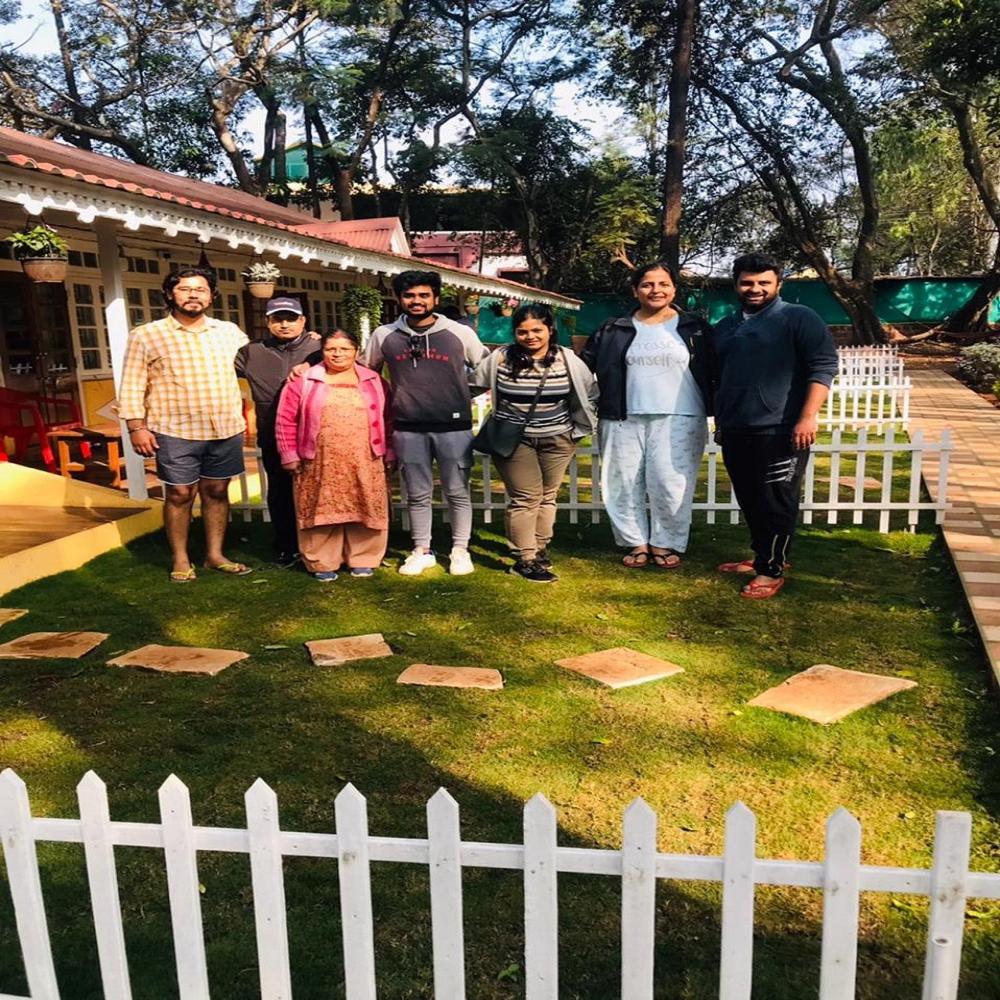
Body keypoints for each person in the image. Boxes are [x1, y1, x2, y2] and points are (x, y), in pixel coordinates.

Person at [712, 251, 838, 599]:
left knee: (776, 500)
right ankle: (762, 556)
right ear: (736, 285)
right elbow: (721, 378)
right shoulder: (726, 326)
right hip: (737, 429)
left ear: (778, 284)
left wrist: (807, 417)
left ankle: (771, 569)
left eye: (763, 282)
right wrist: (722, 420)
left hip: (782, 429)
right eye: (747, 282)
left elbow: (823, 366)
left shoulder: (798, 318)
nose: (755, 288)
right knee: (750, 499)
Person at [120, 267, 251, 582]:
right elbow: (132, 384)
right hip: (175, 429)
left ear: (211, 296)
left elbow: (257, 360)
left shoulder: (229, 332)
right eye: (185, 289)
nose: (193, 295)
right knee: (179, 493)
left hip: (224, 427)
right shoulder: (146, 335)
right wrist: (136, 426)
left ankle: (215, 555)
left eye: (201, 289)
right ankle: (180, 558)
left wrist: (309, 348)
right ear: (170, 294)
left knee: (217, 490)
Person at [581, 261, 713, 569]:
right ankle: (635, 542)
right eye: (647, 284)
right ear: (635, 291)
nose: (656, 290)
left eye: (663, 284)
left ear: (674, 289)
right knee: (622, 483)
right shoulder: (613, 328)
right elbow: (583, 367)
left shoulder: (695, 328)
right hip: (621, 416)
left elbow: (718, 369)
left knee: (671, 484)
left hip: (682, 416)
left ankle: (665, 542)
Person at [361, 270, 489, 576]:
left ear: (435, 297)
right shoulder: (384, 335)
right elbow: (366, 373)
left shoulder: (459, 332)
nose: (416, 301)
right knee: (417, 493)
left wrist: (461, 394)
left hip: (454, 427)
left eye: (423, 295)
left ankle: (460, 550)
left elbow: (486, 368)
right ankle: (422, 550)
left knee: (456, 491)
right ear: (399, 298)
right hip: (407, 427)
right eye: (409, 295)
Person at [473, 304, 597, 582]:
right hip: (513, 439)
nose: (530, 337)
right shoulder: (501, 358)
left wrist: (579, 428)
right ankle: (525, 558)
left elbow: (590, 391)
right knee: (526, 497)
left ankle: (539, 549)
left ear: (550, 329)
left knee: (547, 496)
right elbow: (475, 386)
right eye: (522, 332)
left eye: (537, 330)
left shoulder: (567, 359)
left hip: (558, 437)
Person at [275, 329, 392, 581]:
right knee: (320, 508)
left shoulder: (374, 381)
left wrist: (390, 451)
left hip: (365, 457)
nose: (337, 354)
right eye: (331, 349)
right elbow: (285, 419)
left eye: (345, 349)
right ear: (323, 352)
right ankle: (321, 560)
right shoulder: (304, 380)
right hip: (318, 459)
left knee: (365, 506)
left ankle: (363, 558)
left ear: (356, 352)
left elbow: (389, 419)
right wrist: (289, 454)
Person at [234, 296, 320, 567]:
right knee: (280, 492)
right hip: (274, 433)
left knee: (320, 489)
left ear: (303, 321)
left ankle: (321, 544)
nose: (284, 324)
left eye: (291, 318)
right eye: (277, 319)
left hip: (316, 433)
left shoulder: (319, 348)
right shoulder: (251, 352)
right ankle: (287, 546)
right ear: (267, 321)